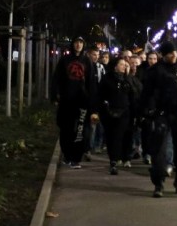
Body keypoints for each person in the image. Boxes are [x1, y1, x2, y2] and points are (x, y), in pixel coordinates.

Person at [141, 41, 177, 198]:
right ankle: (159, 183)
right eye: (169, 54)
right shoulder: (155, 72)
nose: (173, 56)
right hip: (162, 113)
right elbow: (147, 94)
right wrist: (146, 112)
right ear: (163, 55)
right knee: (158, 151)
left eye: (174, 53)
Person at [50, 36, 99, 169]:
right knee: (66, 129)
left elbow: (91, 84)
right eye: (76, 42)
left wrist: (92, 104)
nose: (78, 45)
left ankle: (75, 158)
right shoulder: (65, 60)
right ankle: (67, 155)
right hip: (66, 100)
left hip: (82, 101)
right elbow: (57, 78)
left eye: (81, 43)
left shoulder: (87, 61)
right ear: (73, 44)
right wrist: (54, 96)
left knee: (80, 130)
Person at [99, 58, 135, 175]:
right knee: (110, 136)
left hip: (124, 112)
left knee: (118, 136)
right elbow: (100, 94)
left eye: (125, 65)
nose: (124, 67)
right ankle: (113, 158)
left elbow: (133, 94)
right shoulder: (107, 79)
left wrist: (128, 77)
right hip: (109, 112)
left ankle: (115, 160)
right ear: (115, 66)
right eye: (121, 64)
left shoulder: (127, 79)